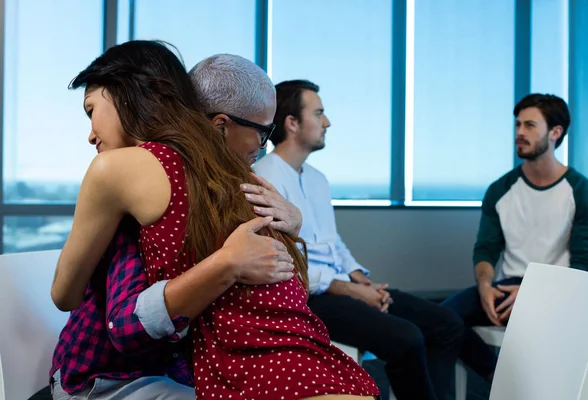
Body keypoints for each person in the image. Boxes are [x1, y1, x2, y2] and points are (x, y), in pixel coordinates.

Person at [51, 41, 379, 400]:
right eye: (263, 133)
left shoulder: (209, 180)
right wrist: (228, 263)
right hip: (108, 375)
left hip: (177, 369)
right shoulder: (136, 174)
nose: (90, 134)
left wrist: (290, 229)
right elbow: (117, 322)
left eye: (90, 111)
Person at [253, 79, 464, 400]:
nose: (328, 122)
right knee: (407, 339)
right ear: (292, 123)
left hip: (343, 285)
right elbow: (287, 266)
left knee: (446, 324)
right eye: (319, 113)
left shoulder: (318, 179)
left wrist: (361, 280)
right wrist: (349, 289)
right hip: (309, 297)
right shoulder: (264, 178)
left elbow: (333, 243)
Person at [441, 93, 588, 381]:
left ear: (555, 132)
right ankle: (496, 377)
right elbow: (485, 250)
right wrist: (485, 285)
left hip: (558, 290)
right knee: (439, 320)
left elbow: (585, 266)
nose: (519, 133)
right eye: (517, 125)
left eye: (529, 126)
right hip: (505, 289)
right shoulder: (500, 190)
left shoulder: (583, 193)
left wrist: (535, 292)